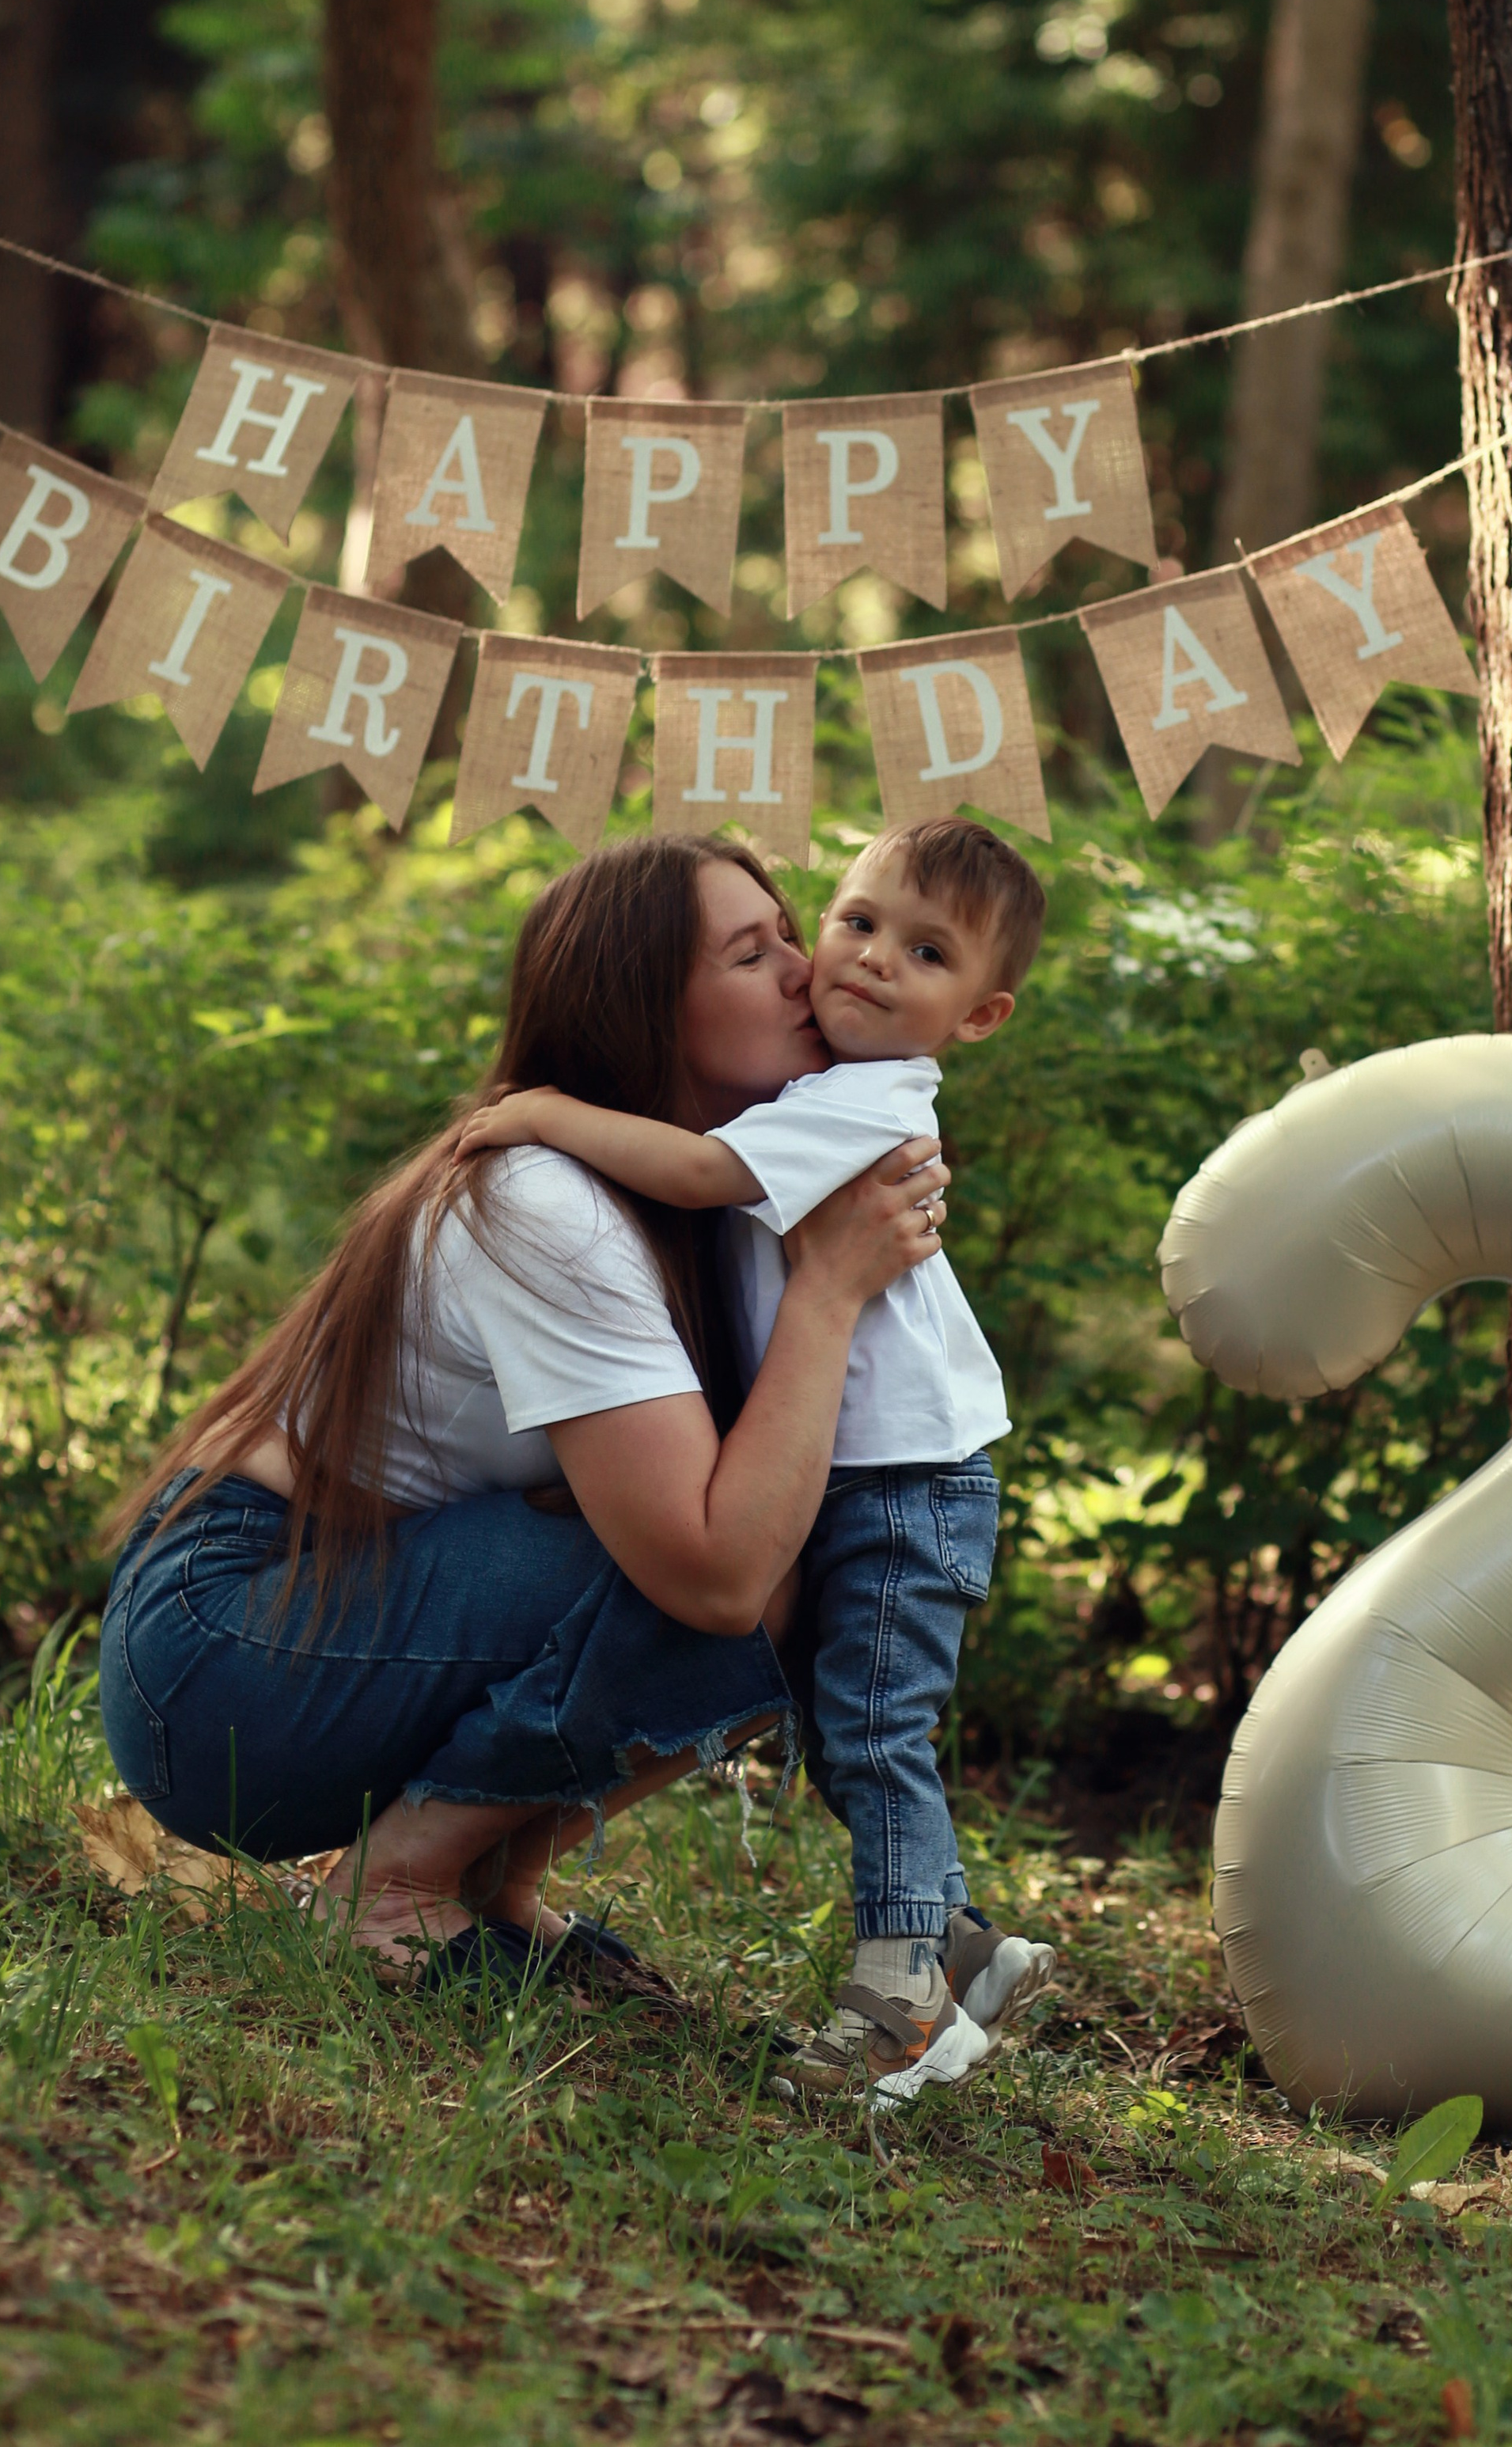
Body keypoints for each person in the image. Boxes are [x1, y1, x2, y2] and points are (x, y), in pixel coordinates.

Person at [97, 835, 950, 1994]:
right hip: (224, 1658)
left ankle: (485, 1886)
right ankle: (392, 1887)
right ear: (641, 1010)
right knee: (776, 1567)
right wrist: (832, 1292)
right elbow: (717, 1577)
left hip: (320, 1613)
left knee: (840, 1540)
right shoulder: (550, 1202)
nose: (811, 970)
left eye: (793, 933)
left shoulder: (696, 1197)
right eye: (755, 954)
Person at [453, 818, 1059, 2092]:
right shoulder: (816, 1091)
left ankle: (898, 1996)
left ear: (982, 1016)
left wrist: (542, 1113)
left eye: (928, 952)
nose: (867, 961)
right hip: (878, 1479)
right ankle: (963, 1951)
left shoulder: (860, 1099)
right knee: (851, 1736)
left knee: (878, 1738)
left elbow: (689, 1169)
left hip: (904, 1488)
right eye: (851, 923)